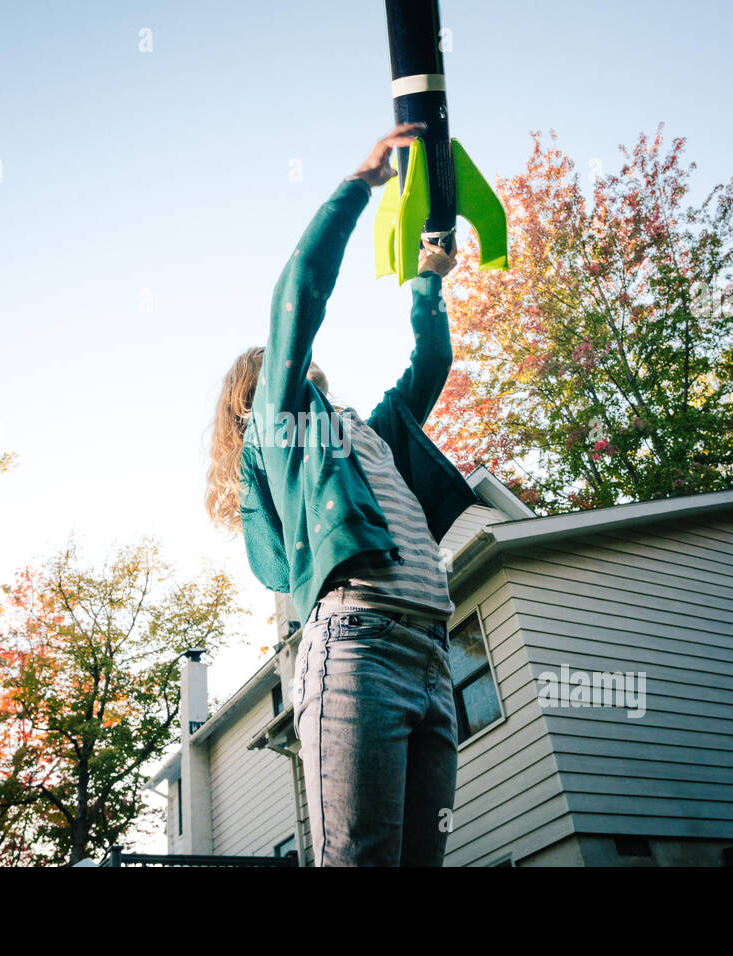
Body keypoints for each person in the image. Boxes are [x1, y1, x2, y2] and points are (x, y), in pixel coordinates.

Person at [203, 123, 481, 866]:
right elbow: (300, 291)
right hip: (359, 652)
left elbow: (432, 361)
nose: (304, 368)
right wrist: (358, 186)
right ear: (253, 398)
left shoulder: (368, 432)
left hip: (432, 653)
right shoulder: (284, 429)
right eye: (283, 369)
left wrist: (430, 275)